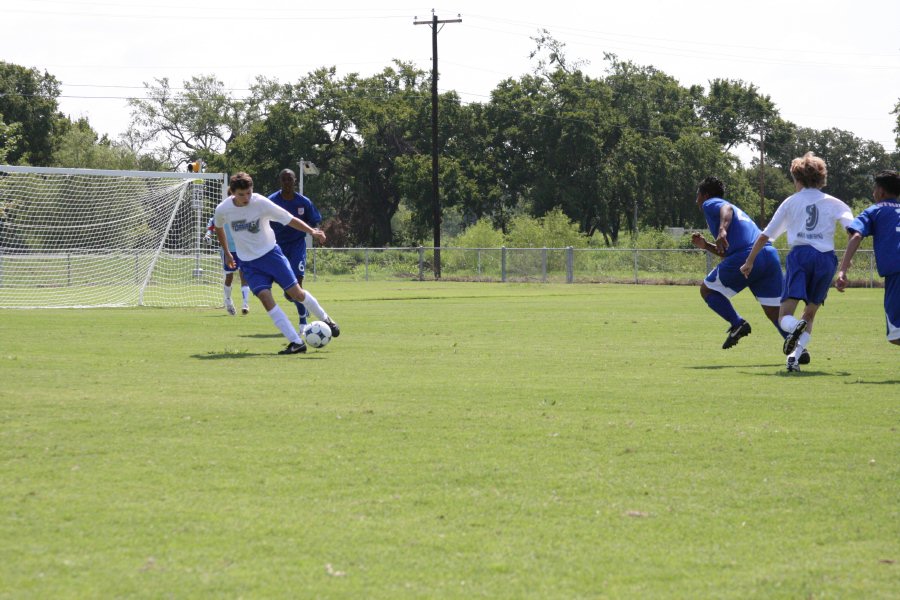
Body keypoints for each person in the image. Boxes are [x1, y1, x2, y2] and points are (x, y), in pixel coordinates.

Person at [740, 152, 854, 372]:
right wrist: (844, 269)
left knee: (785, 316)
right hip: (825, 259)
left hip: (801, 256)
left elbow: (765, 236)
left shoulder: (791, 202)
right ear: (821, 178)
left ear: (797, 178)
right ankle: (794, 357)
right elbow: (853, 231)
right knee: (809, 314)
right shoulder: (836, 203)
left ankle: (794, 328)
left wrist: (749, 261)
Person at [214, 172, 340, 354]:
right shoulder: (223, 209)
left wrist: (312, 231)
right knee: (266, 299)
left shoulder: (260, 202)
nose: (246, 198)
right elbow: (218, 227)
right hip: (249, 263)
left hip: (271, 255)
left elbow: (288, 219)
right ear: (232, 193)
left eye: (249, 192)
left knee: (296, 293)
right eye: (241, 194)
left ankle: (327, 319)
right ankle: (296, 342)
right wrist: (227, 252)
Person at [690, 176, 806, 360]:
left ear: (706, 195)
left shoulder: (712, 204)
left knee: (707, 290)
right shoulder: (735, 213)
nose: (697, 200)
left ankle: (737, 323)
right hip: (767, 256)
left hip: (748, 257)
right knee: (774, 312)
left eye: (698, 195)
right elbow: (729, 253)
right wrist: (706, 246)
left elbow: (725, 209)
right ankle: (798, 350)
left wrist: (722, 230)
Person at [835, 169, 900, 345]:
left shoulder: (874, 211)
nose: (873, 193)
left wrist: (843, 270)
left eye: (874, 189)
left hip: (897, 273)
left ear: (881, 192)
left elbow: (856, 235)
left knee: (896, 335)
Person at [268, 168, 322, 328]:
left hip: (297, 247)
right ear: (280, 182)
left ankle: (303, 321)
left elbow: (315, 221)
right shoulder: (271, 201)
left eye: (289, 179)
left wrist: (318, 233)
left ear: (295, 181)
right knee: (288, 293)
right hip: (277, 248)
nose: (287, 182)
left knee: (297, 284)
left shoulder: (304, 202)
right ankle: (304, 308)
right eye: (284, 179)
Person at [204, 213, 250, 316]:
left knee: (244, 275)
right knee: (229, 277)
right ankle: (228, 301)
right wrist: (208, 235)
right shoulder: (221, 212)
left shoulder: (241, 211)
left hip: (241, 249)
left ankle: (245, 304)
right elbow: (212, 224)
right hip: (227, 250)